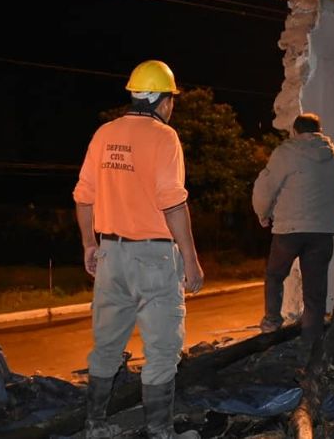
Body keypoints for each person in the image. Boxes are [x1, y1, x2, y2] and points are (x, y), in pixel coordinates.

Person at [73, 60, 203, 439]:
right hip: (155, 258)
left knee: (106, 348)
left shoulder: (104, 134)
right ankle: (160, 432)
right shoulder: (164, 138)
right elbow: (173, 204)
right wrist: (192, 261)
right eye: (171, 99)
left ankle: (95, 424)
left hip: (111, 256)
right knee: (162, 352)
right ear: (163, 100)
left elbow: (83, 198)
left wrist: (88, 244)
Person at [252, 113, 334, 345]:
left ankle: (272, 322)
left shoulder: (286, 153)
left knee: (274, 275)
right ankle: (311, 342)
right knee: (315, 291)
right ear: (319, 131)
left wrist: (263, 214)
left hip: (288, 230)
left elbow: (266, 187)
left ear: (294, 131)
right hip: (322, 232)